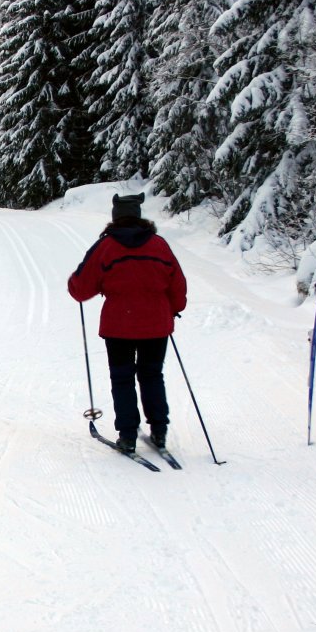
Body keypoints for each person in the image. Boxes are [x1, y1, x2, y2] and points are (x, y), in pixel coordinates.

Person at [67, 193, 187, 452]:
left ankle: (128, 435)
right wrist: (174, 308)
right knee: (152, 375)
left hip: (118, 327)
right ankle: (159, 430)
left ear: (115, 218)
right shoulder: (159, 245)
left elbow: (81, 287)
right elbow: (177, 282)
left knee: (122, 378)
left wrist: (73, 285)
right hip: (156, 326)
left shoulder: (106, 247)